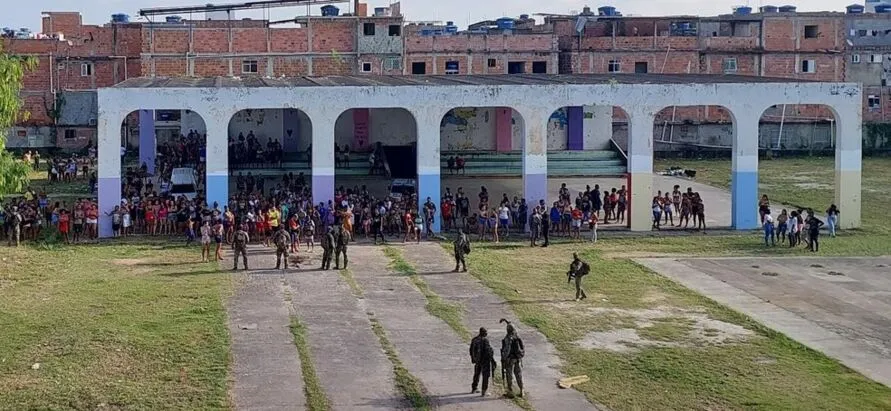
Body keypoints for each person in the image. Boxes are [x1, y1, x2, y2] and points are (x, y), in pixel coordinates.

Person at [499, 319, 525, 398]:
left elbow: (507, 350)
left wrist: (503, 358)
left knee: (509, 375)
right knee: (518, 374)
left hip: (510, 359)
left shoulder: (508, 338)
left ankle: (510, 391)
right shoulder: (516, 336)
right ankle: (521, 390)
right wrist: (506, 321)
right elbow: (511, 326)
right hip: (517, 358)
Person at [469, 327, 496, 397]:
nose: (487, 334)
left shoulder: (474, 339)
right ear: (483, 333)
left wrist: (473, 359)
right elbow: (488, 351)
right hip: (485, 361)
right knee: (485, 376)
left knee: (476, 374)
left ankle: (474, 388)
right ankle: (484, 391)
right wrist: (492, 359)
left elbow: (471, 350)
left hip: (477, 360)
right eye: (486, 332)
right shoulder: (485, 340)